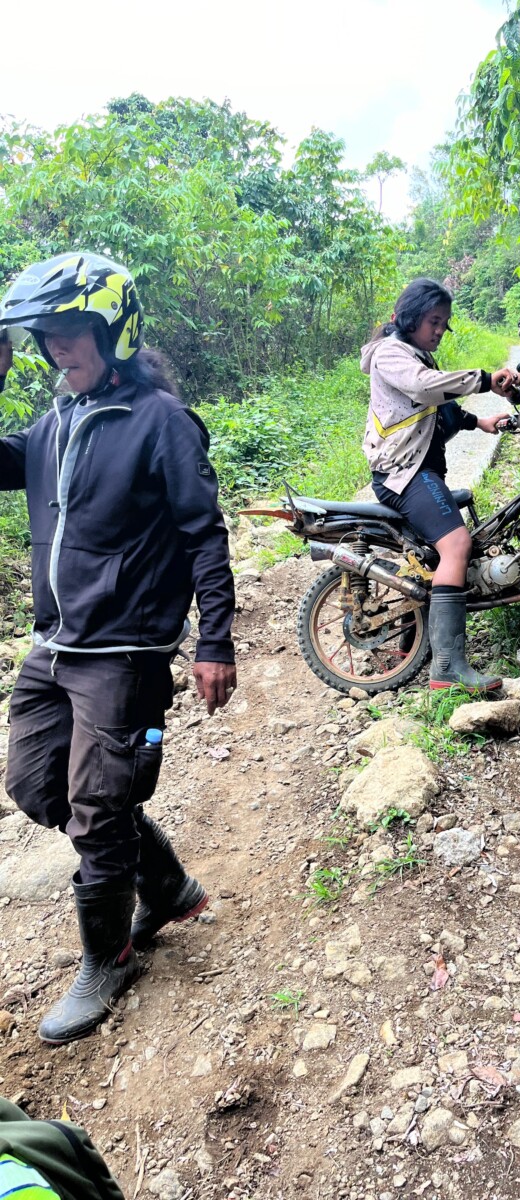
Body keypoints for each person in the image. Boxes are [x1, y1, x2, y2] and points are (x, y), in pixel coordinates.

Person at [0, 252, 237, 1045]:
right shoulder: (55, 423)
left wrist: (215, 640)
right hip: (54, 645)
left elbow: (204, 534)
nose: (57, 347)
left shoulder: (160, 421)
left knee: (99, 811)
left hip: (125, 649)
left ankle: (109, 958)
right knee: (36, 787)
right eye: (45, 335)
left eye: (71, 330)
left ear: (113, 330)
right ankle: (164, 884)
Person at [361, 277, 520, 692]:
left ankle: (418, 644)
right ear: (410, 317)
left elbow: (439, 406)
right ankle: (448, 669)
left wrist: (480, 421)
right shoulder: (391, 354)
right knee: (456, 545)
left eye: (443, 323)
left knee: (438, 552)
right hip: (404, 473)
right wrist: (485, 379)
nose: (438, 330)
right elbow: (423, 387)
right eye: (433, 321)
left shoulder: (417, 354)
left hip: (419, 470)